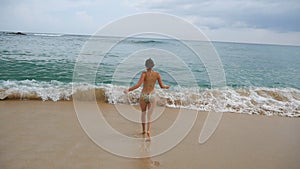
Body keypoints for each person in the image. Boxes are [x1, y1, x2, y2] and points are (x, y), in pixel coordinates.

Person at [124, 58, 170, 141]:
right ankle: (149, 131)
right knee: (150, 116)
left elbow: (138, 85)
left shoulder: (144, 74)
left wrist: (128, 90)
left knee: (143, 114)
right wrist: (167, 87)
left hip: (144, 95)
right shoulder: (157, 74)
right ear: (153, 66)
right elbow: (162, 86)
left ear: (146, 65)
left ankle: (143, 130)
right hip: (152, 96)